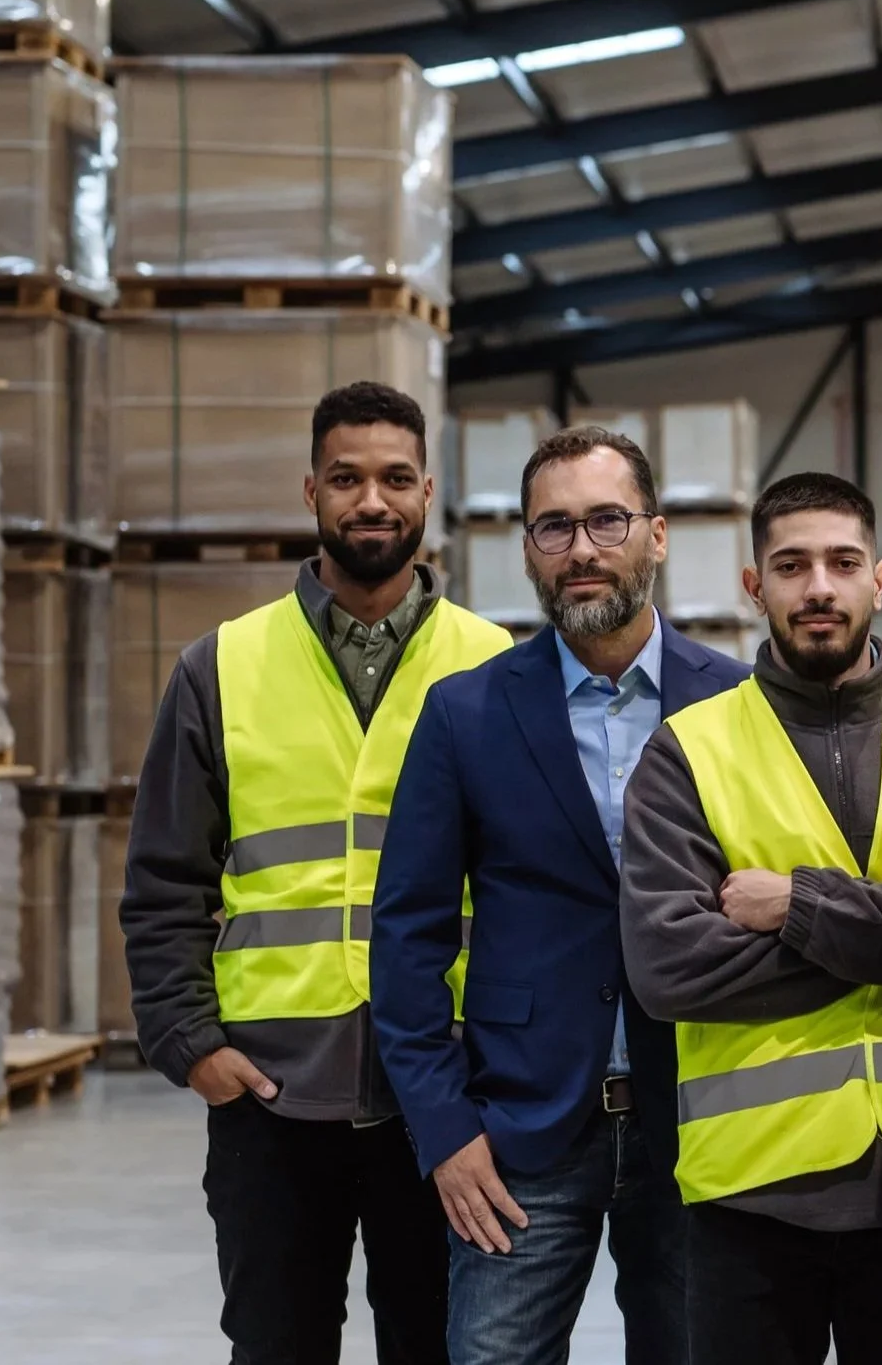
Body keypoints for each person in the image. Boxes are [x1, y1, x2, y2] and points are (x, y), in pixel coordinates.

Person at [121, 381, 515, 1364]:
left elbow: (531, 888)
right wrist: (188, 1041)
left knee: (437, 1344)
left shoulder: (496, 666)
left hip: (444, 1089)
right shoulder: (222, 665)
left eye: (392, 478)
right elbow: (164, 878)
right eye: (346, 478)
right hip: (269, 1094)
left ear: (428, 491)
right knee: (276, 1345)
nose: (370, 500)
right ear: (311, 491)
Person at [371, 427, 750, 1363]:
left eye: (607, 521)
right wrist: (445, 1130)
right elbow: (407, 937)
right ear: (529, 549)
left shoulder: (735, 705)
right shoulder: (466, 713)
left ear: (657, 536)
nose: (582, 549)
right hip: (519, 1135)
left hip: (696, 1129)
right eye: (554, 527)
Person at [619, 472, 882, 1365]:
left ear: (879, 578)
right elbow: (671, 971)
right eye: (793, 565)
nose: (819, 587)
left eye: (843, 562)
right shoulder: (688, 751)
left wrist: (797, 905)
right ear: (755, 585)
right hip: (752, 1193)